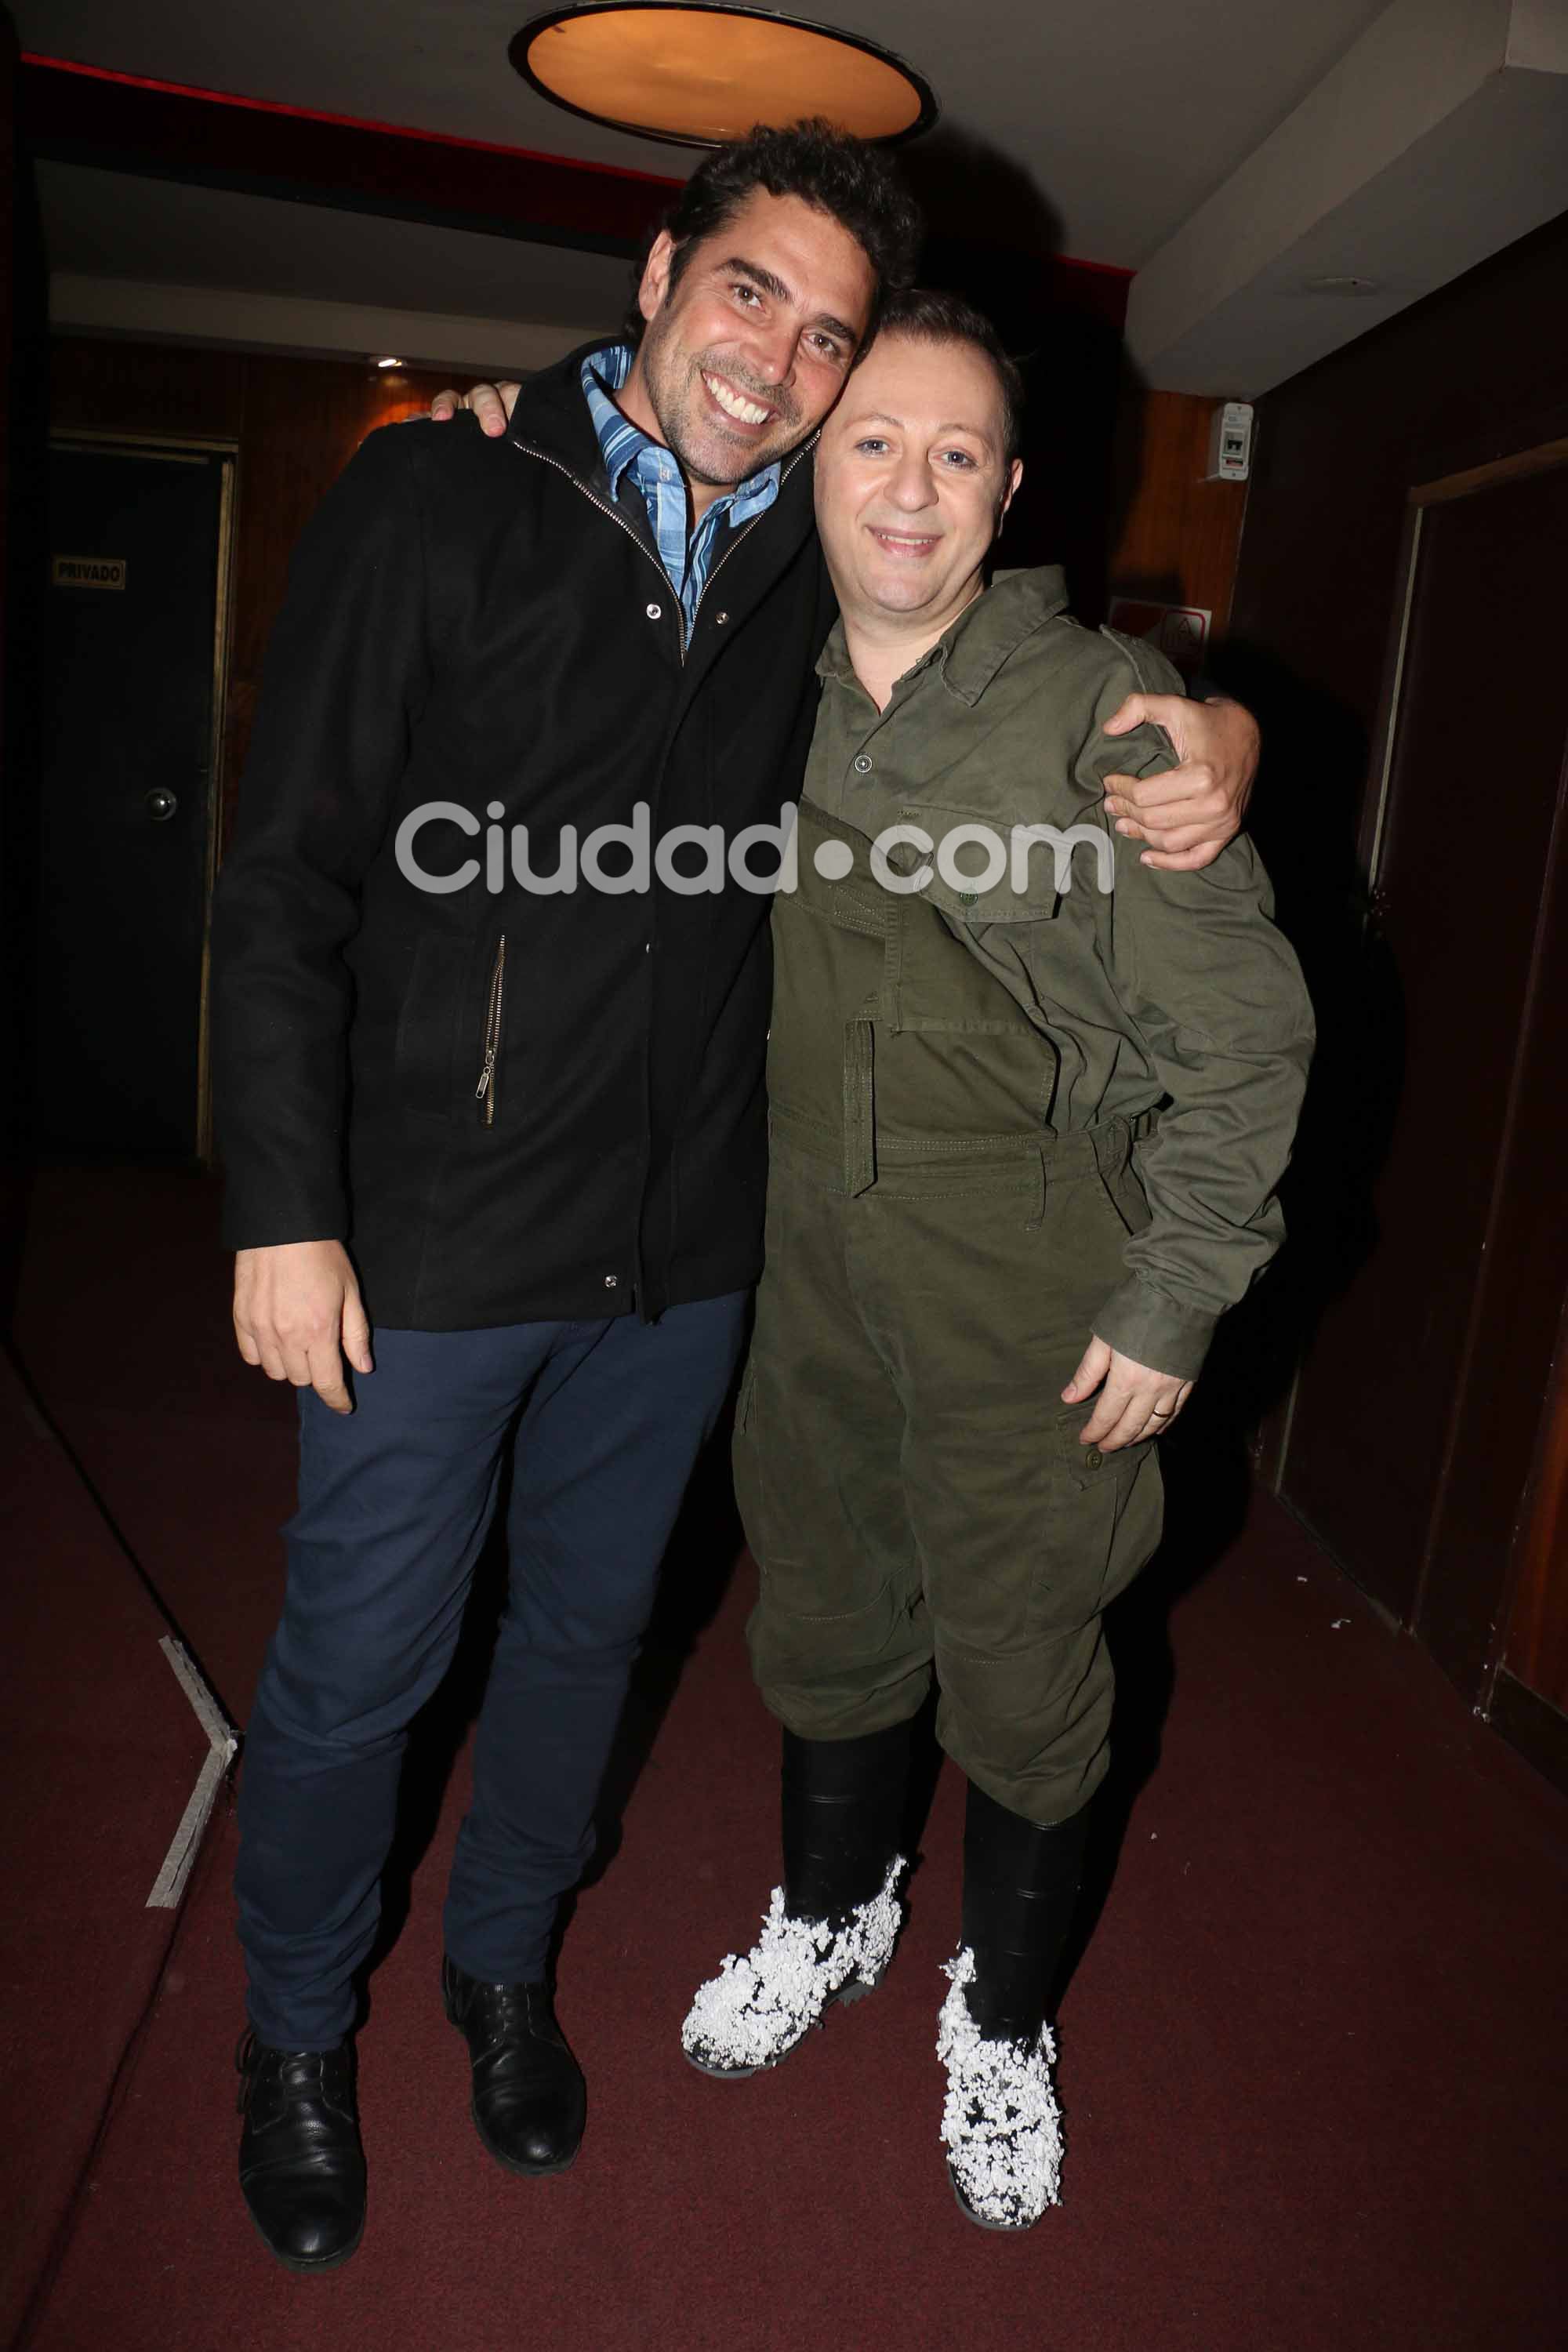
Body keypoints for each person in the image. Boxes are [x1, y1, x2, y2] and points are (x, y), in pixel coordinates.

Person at [215, 122, 1255, 2274]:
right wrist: (280, 1204)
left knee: (592, 1643)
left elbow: (1003, 652)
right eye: (751, 295)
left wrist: (1215, 718)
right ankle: (297, 2037)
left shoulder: (813, 550)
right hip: (420, 1238)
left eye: (832, 337)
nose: (782, 360)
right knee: (357, 1673)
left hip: (690, 1256)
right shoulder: (441, 492)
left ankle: (503, 1972)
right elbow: (291, 873)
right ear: (663, 269)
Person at [670, 292, 1314, 2232]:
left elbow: (1247, 1040)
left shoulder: (1101, 718)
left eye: (958, 451)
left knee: (1026, 1665)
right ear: (813, 458)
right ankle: (830, 1917)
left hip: (1028, 1285)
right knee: (829, 1605)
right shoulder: (741, 667)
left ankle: (1006, 2019)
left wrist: (1175, 1289)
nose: (910, 485)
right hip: (795, 1268)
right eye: (871, 439)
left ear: (1009, 488)